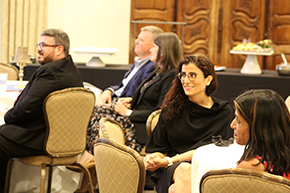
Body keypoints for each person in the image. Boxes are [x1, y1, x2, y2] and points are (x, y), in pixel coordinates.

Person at [74, 32, 183, 192]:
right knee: (98, 111)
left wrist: (129, 113)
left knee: (101, 114)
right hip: (134, 117)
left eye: (154, 47)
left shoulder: (171, 75)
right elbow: (143, 94)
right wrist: (132, 100)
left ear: (164, 52)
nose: (151, 50)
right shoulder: (157, 72)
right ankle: (94, 161)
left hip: (141, 125)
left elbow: (161, 111)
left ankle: (92, 161)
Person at [0, 28, 83, 191]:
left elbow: (26, 109)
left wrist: (8, 116)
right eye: (39, 44)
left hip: (42, 139)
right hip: (63, 138)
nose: (39, 48)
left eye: (44, 45)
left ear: (59, 49)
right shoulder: (71, 70)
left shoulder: (50, 72)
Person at [144, 54, 234, 193]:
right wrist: (154, 159)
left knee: (175, 189)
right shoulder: (172, 110)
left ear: (208, 79)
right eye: (183, 75)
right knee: (185, 170)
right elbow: (158, 148)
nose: (186, 80)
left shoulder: (223, 112)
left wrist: (169, 160)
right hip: (173, 169)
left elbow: (211, 151)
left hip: (208, 170)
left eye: (192, 75)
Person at [231, 89, 290, 178]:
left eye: (238, 121)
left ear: (257, 127)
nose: (232, 125)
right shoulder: (283, 157)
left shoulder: (250, 167)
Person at [101, 25, 163, 104]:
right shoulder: (138, 62)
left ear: (153, 46)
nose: (136, 41)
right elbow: (123, 86)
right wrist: (109, 90)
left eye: (141, 40)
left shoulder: (152, 67)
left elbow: (136, 95)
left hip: (121, 104)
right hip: (114, 98)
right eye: (137, 38)